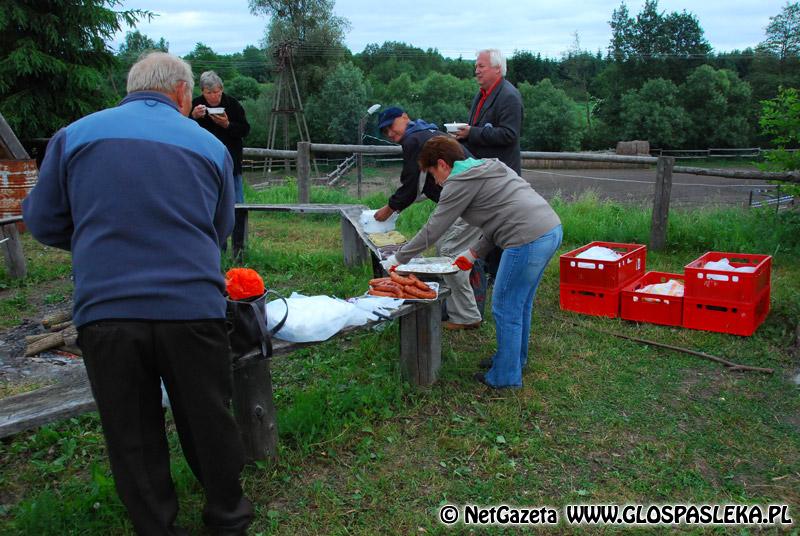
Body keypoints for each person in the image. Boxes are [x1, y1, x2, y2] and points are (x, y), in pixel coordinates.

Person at [22, 52, 252, 536]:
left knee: (132, 430)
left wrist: (97, 237)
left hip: (107, 310)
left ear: (131, 88)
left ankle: (155, 527)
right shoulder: (210, 147)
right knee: (207, 415)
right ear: (182, 93)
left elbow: (41, 222)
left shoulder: (75, 136)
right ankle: (228, 519)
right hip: (192, 307)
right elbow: (219, 228)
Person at [383, 137, 562, 389]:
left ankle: (505, 379)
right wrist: (474, 253)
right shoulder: (489, 165)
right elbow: (499, 217)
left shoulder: (458, 183)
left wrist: (398, 258)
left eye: (432, 172)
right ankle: (512, 361)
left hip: (526, 239)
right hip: (549, 229)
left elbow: (433, 230)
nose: (434, 181)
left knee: (505, 307)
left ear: (443, 164)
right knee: (520, 304)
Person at [374, 106, 483, 329]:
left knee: (449, 253)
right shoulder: (426, 132)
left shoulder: (413, 139)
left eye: (391, 127)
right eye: (385, 132)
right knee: (446, 247)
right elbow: (421, 185)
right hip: (464, 198)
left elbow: (411, 185)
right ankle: (456, 306)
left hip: (470, 200)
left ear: (405, 117)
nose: (390, 134)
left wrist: (390, 209)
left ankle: (467, 316)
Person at [455, 48, 524, 284]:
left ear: (497, 68)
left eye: (481, 66)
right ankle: (487, 270)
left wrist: (471, 132)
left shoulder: (509, 96)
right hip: (484, 171)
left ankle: (500, 274)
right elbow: (480, 128)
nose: (476, 70)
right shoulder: (482, 94)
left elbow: (509, 135)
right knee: (486, 222)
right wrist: (466, 133)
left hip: (502, 174)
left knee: (502, 224)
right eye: (476, 66)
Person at [191, 71, 251, 251]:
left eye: (217, 91)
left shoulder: (232, 105)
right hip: (204, 166)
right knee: (210, 207)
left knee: (237, 206)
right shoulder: (195, 106)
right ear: (202, 92)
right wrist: (193, 117)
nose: (214, 96)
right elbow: (181, 128)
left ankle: (239, 248)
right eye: (209, 93)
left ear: (222, 89)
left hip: (231, 164)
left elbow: (245, 130)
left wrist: (227, 125)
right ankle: (216, 248)